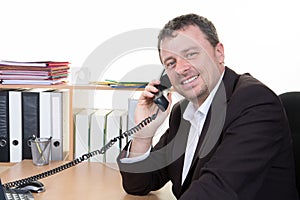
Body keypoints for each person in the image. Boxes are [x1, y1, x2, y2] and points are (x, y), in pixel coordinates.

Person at [117, 13, 299, 199]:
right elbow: (138, 184)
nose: (181, 68)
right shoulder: (182, 113)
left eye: (191, 54)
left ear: (219, 53)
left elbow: (216, 191)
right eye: (171, 63)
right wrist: (143, 134)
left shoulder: (254, 103)